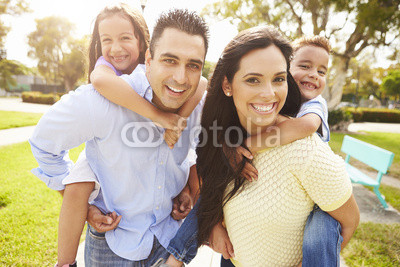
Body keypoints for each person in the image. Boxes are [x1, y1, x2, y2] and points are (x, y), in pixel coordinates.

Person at [29, 8, 209, 266]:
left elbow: (197, 149)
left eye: (193, 64)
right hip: (111, 247)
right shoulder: (100, 101)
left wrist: (187, 189)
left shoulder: (198, 101)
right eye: (169, 60)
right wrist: (86, 206)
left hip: (169, 239)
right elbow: (42, 144)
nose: (181, 77)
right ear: (149, 58)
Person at [196, 25, 360, 266]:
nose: (269, 93)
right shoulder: (223, 139)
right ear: (227, 85)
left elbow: (349, 221)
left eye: (278, 79)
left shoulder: (304, 150)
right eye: (253, 79)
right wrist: (214, 225)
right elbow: (207, 185)